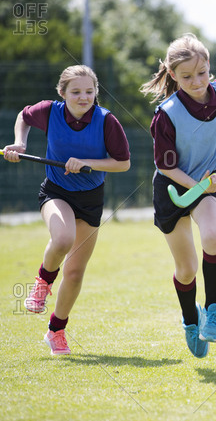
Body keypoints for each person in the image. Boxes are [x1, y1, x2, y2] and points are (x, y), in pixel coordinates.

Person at [2, 65, 131, 355]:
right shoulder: (50, 111)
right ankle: (42, 282)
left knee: (74, 273)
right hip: (56, 191)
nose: (83, 97)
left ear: (96, 92)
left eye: (89, 91)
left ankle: (56, 330)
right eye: (76, 92)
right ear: (62, 93)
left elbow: (123, 163)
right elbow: (24, 116)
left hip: (91, 199)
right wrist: (20, 143)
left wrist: (86, 161)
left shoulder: (107, 121)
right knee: (63, 239)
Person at [140, 34, 216, 358]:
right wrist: (198, 185)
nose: (197, 81)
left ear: (209, 67)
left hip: (208, 184)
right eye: (187, 76)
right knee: (186, 269)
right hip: (173, 189)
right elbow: (166, 167)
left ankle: (213, 309)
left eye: (202, 73)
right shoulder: (167, 114)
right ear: (173, 75)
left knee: (214, 236)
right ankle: (191, 320)